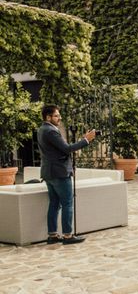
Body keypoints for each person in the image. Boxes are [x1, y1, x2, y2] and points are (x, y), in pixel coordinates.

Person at [37, 104, 96, 245]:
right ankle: (68, 236)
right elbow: (67, 149)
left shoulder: (42, 129)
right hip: (59, 172)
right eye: (56, 115)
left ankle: (52, 235)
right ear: (48, 117)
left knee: (54, 203)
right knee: (67, 203)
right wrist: (86, 140)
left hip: (48, 172)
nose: (60, 118)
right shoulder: (51, 131)